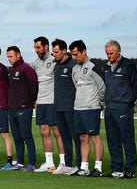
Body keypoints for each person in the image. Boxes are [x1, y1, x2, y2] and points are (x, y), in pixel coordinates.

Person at [69, 40, 106, 177]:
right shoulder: (74, 69)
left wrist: (99, 102)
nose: (74, 57)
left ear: (84, 51)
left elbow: (102, 87)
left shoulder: (94, 67)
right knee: (83, 138)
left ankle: (98, 168)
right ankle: (84, 168)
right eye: (72, 55)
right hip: (78, 108)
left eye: (76, 54)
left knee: (94, 136)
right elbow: (76, 86)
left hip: (92, 108)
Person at [103, 40, 137, 179]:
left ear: (119, 52)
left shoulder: (129, 65)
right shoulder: (106, 67)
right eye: (107, 53)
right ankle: (116, 169)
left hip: (123, 108)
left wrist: (129, 102)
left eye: (111, 53)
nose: (108, 56)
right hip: (109, 108)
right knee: (112, 140)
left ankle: (130, 169)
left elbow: (135, 86)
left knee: (127, 139)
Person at [33, 36, 65, 172]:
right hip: (41, 102)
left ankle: (63, 162)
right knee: (44, 131)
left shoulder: (55, 61)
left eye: (38, 47)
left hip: (53, 102)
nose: (36, 50)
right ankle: (49, 163)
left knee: (57, 132)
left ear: (46, 47)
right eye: (35, 48)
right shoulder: (36, 62)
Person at [51, 39, 81, 175]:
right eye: (53, 52)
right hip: (58, 107)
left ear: (64, 51)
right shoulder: (56, 66)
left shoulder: (73, 65)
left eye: (57, 52)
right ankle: (68, 165)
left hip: (71, 107)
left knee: (76, 137)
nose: (55, 54)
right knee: (64, 137)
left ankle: (80, 165)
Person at [6, 46, 38, 172]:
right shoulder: (10, 70)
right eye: (8, 56)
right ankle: (19, 163)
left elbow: (34, 88)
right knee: (17, 137)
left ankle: (31, 163)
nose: (9, 59)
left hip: (24, 108)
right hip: (12, 108)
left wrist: (29, 102)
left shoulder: (26, 69)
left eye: (11, 56)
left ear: (18, 55)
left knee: (26, 136)